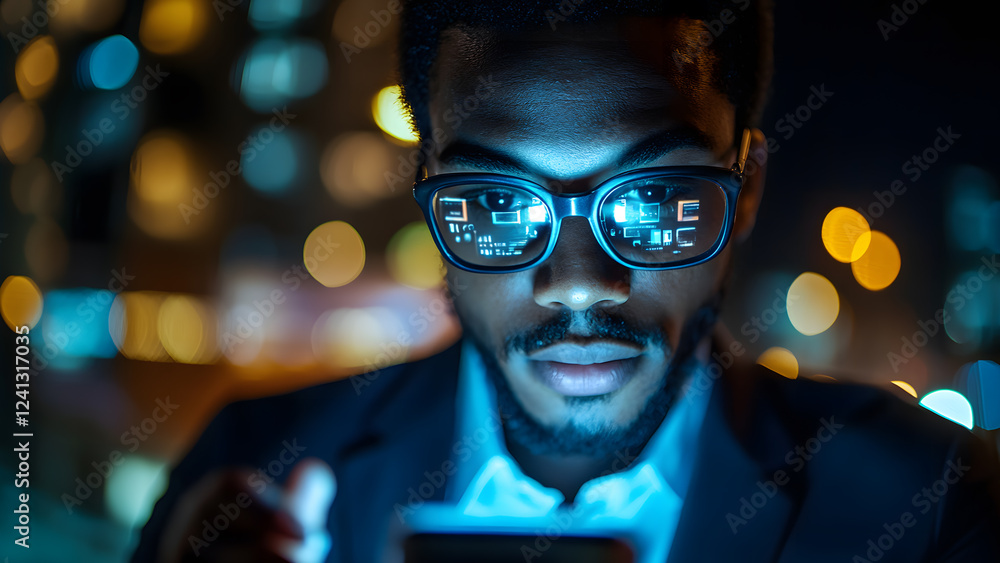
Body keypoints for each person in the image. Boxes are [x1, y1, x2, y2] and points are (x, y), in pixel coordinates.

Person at [133, 1, 1000, 561]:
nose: (579, 287)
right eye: (496, 203)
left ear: (748, 192)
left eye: (656, 200)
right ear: (424, 190)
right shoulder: (243, 476)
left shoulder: (936, 510)